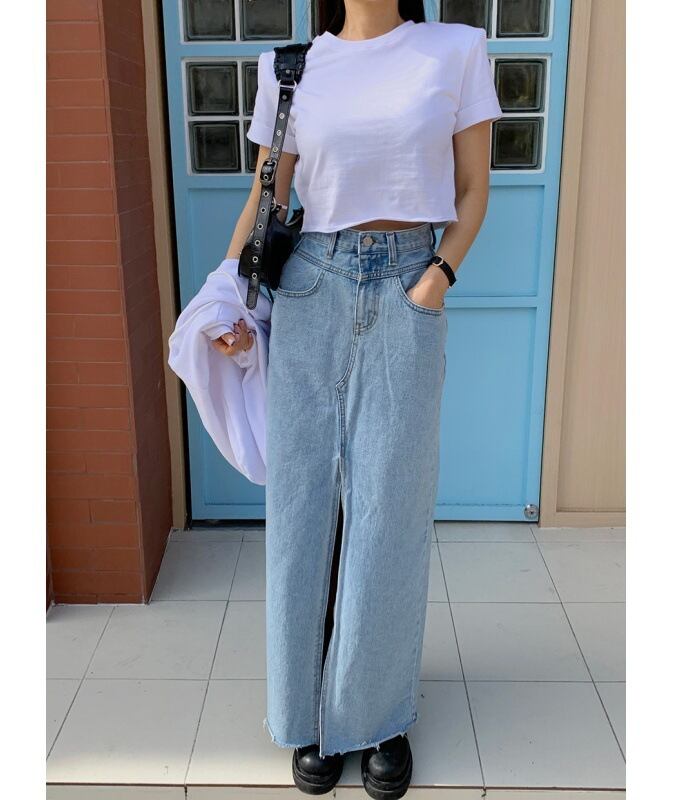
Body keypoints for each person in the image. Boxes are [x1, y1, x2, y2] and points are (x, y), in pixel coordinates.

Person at [213, 2, 501, 797]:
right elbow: (265, 199)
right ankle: (305, 711)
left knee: (389, 509)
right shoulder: (291, 68)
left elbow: (474, 187)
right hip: (312, 285)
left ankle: (376, 715)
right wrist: (230, 302)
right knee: (300, 509)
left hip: (409, 283)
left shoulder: (455, 49)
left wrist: (436, 278)